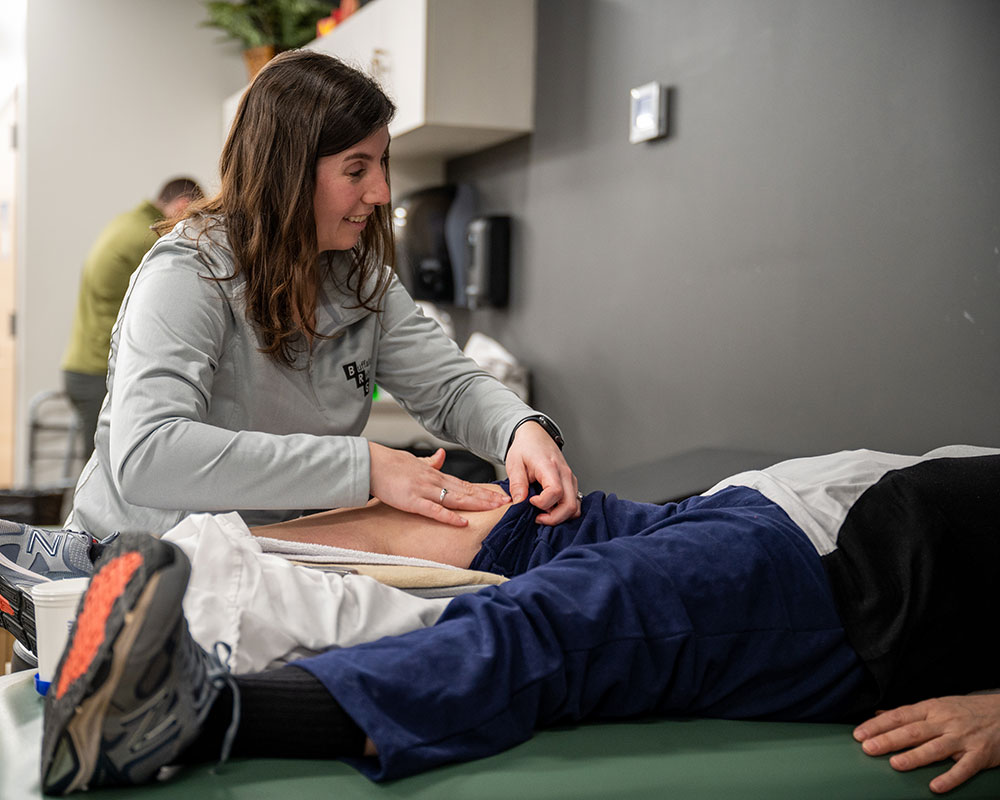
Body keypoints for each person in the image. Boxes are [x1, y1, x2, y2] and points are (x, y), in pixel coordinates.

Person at [31, 444, 1000, 795]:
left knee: (556, 625)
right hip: (785, 503)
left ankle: (189, 718)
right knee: (470, 512)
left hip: (846, 582)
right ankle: (76, 579)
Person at [65, 49, 578, 541]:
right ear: (283, 173)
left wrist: (519, 428)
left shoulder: (359, 277)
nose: (380, 193)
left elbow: (449, 386)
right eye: (356, 170)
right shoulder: (188, 273)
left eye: (381, 165)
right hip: (135, 565)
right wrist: (367, 467)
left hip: (257, 558)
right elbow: (150, 455)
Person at [61, 178, 204, 459]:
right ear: (183, 207)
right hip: (96, 369)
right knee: (107, 474)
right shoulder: (151, 239)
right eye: (194, 216)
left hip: (81, 366)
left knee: (99, 468)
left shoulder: (126, 223)